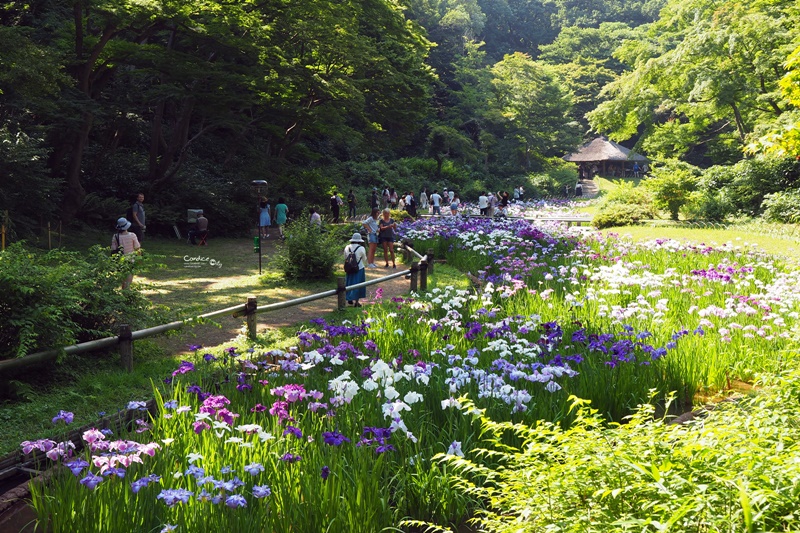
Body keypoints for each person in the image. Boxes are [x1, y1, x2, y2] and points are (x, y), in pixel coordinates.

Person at [111, 217, 141, 290]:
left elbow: (113, 249)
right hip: (131, 260)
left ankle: (123, 291)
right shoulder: (132, 235)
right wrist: (139, 259)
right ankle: (126, 294)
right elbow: (137, 248)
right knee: (129, 279)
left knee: (123, 278)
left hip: (120, 260)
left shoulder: (115, 236)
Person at [344, 233, 368, 307]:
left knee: (349, 282)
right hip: (359, 268)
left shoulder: (347, 247)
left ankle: (349, 298)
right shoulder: (361, 248)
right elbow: (364, 259)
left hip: (349, 268)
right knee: (358, 284)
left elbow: (345, 257)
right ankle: (356, 302)